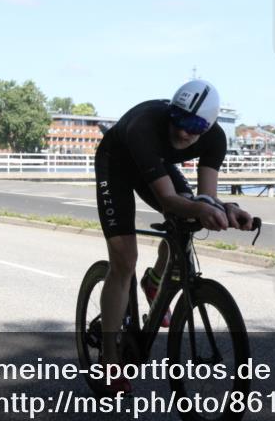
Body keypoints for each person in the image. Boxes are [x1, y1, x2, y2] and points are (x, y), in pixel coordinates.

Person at [94, 79, 252, 391]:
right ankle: (109, 359)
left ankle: (155, 282)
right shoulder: (145, 126)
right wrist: (201, 209)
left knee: (187, 221)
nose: (183, 132)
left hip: (155, 164)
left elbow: (206, 198)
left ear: (208, 126)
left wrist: (229, 209)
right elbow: (168, 200)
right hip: (117, 165)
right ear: (171, 112)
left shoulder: (215, 139)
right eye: (179, 121)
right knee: (125, 260)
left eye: (194, 127)